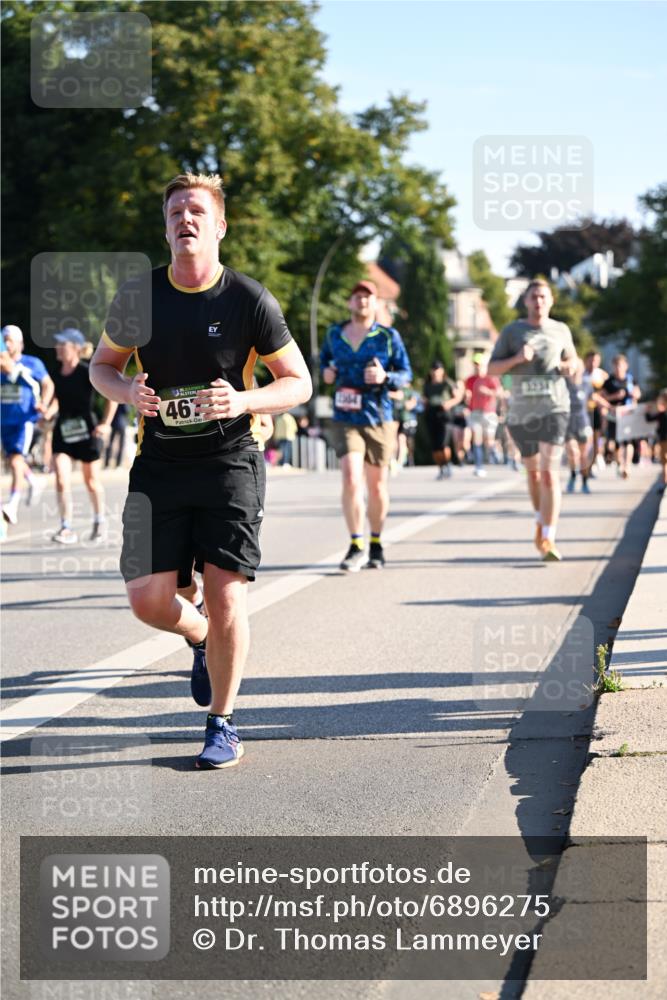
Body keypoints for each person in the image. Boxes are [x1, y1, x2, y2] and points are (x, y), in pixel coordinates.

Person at [89, 172, 311, 770]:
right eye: (175, 212)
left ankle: (223, 722)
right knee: (147, 600)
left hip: (230, 462)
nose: (184, 220)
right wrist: (126, 392)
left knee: (226, 593)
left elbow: (299, 382)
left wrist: (241, 401)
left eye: (196, 211)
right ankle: (196, 635)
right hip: (159, 462)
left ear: (219, 226)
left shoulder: (248, 299)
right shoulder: (139, 298)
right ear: (166, 228)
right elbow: (101, 367)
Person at [320, 280, 412, 571]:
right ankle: (355, 544)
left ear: (376, 304)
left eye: (367, 297)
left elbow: (406, 373)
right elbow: (323, 365)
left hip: (378, 417)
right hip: (346, 417)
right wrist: (327, 373)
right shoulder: (335, 333)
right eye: (357, 297)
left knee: (377, 485)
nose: (362, 302)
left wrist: (386, 377)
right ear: (349, 303)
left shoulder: (388, 336)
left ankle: (376, 542)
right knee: (350, 477)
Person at [488, 279, 578, 561]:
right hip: (521, 412)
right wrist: (516, 358)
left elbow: (573, 363)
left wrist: (568, 366)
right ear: (525, 301)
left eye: (543, 297)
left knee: (549, 472)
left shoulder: (561, 330)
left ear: (550, 301)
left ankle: (548, 538)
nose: (538, 302)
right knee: (534, 473)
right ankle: (540, 519)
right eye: (533, 297)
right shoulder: (512, 331)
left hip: (554, 407)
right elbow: (491, 369)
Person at [45, 329, 116, 543]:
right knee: (60, 476)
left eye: (62, 344)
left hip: (87, 430)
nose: (58, 348)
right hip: (64, 430)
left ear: (75, 348)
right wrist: (47, 413)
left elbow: (111, 395)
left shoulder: (87, 372)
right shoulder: (55, 373)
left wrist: (105, 424)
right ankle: (66, 527)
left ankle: (99, 519)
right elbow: (56, 399)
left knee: (91, 480)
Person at [1, 324, 54, 525]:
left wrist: (44, 403)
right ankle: (33, 480)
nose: (7, 343)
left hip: (24, 421)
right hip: (2, 421)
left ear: (20, 343)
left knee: (15, 460)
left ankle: (12, 506)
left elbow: (48, 384)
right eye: (4, 339)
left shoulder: (33, 363)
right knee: (12, 461)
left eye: (11, 339)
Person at [599, 354, 641, 479]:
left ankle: (626, 466)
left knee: (628, 441)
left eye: (621, 365)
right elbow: (601, 397)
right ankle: (619, 463)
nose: (618, 368)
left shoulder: (630, 379)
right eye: (616, 365)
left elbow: (638, 393)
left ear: (626, 366)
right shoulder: (608, 381)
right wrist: (614, 397)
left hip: (628, 414)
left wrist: (635, 394)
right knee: (615, 442)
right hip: (614, 415)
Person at [422, 360, 463, 480]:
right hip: (431, 415)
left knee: (443, 443)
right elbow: (425, 398)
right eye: (434, 369)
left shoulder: (447, 383)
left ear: (442, 371)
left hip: (444, 416)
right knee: (435, 447)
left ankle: (447, 463)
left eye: (438, 369)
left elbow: (458, 397)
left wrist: (449, 403)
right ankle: (441, 468)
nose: (435, 372)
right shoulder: (427, 385)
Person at [464, 353, 501, 476]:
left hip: (489, 413)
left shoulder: (491, 378)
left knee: (489, 441)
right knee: (477, 439)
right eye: (475, 365)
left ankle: (494, 452)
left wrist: (487, 391)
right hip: (476, 413)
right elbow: (468, 396)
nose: (477, 367)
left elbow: (499, 393)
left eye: (479, 365)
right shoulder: (470, 380)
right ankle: (479, 466)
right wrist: (467, 398)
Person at [565, 359, 593, 494]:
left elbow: (595, 399)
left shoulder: (587, 384)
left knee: (584, 456)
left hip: (583, 423)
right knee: (572, 452)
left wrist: (609, 407)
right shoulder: (564, 384)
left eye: (578, 368)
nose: (575, 371)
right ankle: (573, 475)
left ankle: (585, 481)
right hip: (568, 423)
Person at [581, 350, 608, 477]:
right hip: (583, 412)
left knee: (596, 441)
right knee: (586, 440)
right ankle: (582, 467)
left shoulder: (602, 375)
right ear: (586, 361)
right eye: (591, 360)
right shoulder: (580, 374)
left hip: (597, 412)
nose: (593, 363)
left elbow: (607, 392)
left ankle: (590, 467)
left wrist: (605, 407)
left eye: (596, 361)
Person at [644, 389, 667, 494]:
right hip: (663, 440)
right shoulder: (661, 414)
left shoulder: (662, 414)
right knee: (664, 462)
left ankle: (664, 483)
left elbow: (649, 418)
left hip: (664, 440)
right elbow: (649, 418)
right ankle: (664, 483)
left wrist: (647, 411)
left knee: (665, 462)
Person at [104, 402, 129, 468]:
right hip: (122, 424)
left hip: (114, 423)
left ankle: (107, 463)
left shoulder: (114, 398)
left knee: (110, 444)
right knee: (121, 444)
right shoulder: (124, 401)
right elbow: (126, 410)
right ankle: (118, 464)